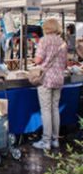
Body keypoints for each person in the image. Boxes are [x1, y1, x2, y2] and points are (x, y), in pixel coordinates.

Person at [33, 18, 67, 150]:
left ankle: (46, 141)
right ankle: (55, 140)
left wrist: (36, 60)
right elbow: (65, 64)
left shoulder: (44, 40)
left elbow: (38, 60)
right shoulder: (62, 42)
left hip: (46, 79)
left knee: (46, 110)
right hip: (59, 78)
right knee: (55, 109)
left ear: (46, 28)